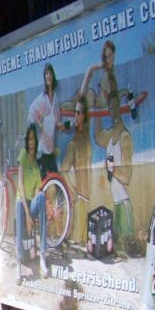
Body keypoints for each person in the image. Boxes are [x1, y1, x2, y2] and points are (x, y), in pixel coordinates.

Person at [81, 40, 135, 250]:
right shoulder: (111, 136)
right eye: (104, 57)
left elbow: (128, 177)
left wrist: (113, 170)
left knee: (125, 248)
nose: (107, 61)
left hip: (123, 206)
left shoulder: (124, 138)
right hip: (116, 204)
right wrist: (94, 112)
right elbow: (96, 137)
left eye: (109, 56)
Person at [60, 94, 92, 250]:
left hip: (87, 197)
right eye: (75, 112)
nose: (76, 115)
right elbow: (63, 169)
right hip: (79, 198)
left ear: (84, 116)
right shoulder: (73, 144)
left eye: (79, 113)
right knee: (80, 246)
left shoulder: (85, 138)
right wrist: (71, 190)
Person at [16, 123, 48, 279]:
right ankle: (18, 265)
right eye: (28, 139)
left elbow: (37, 191)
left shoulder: (36, 165)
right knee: (18, 206)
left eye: (33, 139)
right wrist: (28, 217)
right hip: (22, 203)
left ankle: (43, 256)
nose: (30, 142)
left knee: (42, 196)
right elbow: (20, 185)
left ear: (36, 141)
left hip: (32, 203)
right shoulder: (22, 155)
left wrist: (34, 216)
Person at [27, 63, 62, 177]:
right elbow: (32, 110)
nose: (48, 76)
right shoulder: (42, 98)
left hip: (50, 149)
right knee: (42, 183)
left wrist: (66, 125)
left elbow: (57, 122)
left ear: (53, 76)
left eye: (50, 73)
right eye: (46, 74)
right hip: (42, 150)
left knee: (56, 180)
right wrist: (38, 125)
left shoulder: (55, 98)